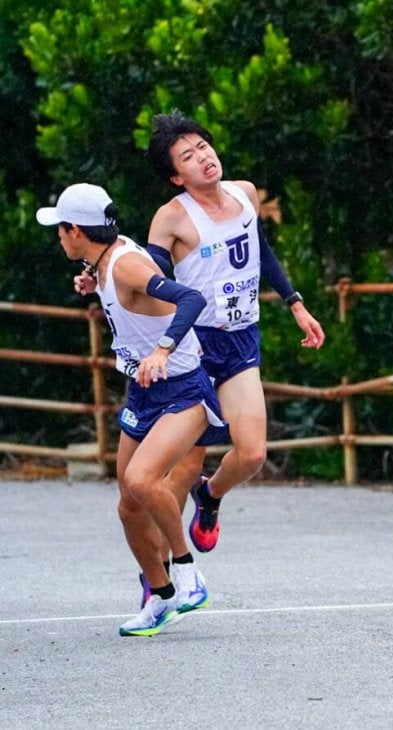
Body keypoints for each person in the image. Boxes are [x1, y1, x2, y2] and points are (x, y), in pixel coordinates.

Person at [39, 183, 224, 636]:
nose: (58, 238)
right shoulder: (103, 263)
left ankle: (187, 573)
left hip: (183, 389)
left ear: (76, 230)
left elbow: (190, 299)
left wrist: (161, 351)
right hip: (145, 393)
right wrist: (90, 280)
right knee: (128, 505)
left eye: (60, 230)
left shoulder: (125, 266)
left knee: (143, 480)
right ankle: (160, 597)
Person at [143, 111, 325, 561]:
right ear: (174, 176)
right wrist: (96, 276)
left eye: (203, 146)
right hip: (197, 346)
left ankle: (211, 497)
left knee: (252, 455)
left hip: (241, 337)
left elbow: (260, 249)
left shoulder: (245, 194)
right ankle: (166, 573)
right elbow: (147, 277)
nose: (203, 157)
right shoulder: (170, 219)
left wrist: (295, 302)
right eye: (188, 156)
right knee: (185, 466)